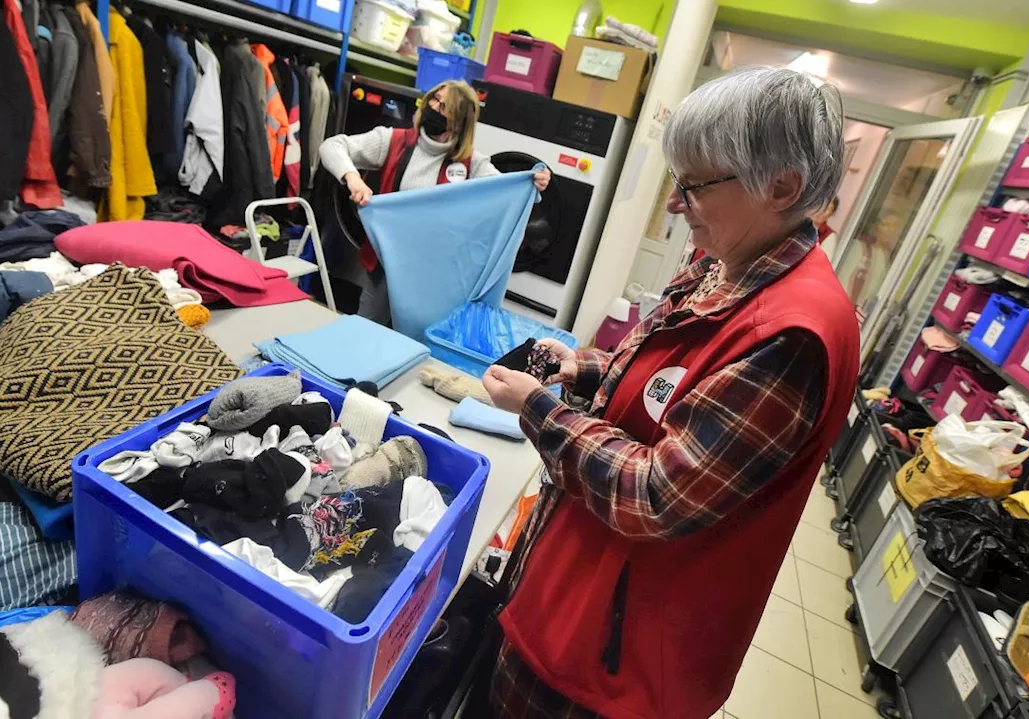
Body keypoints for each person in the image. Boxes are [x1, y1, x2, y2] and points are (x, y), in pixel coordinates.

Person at [480, 66, 861, 719]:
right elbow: (677, 384)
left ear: (782, 187)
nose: (675, 204)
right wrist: (588, 369)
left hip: (617, 648)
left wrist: (538, 410)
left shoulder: (792, 337)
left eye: (693, 184)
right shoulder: (731, 262)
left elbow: (656, 494)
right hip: (577, 587)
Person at [319, 80, 550, 324]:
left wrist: (533, 182)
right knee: (364, 333)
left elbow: (504, 195)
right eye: (434, 99)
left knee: (413, 345)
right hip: (384, 268)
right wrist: (353, 178)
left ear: (459, 123)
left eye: (444, 107)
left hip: (434, 281)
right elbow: (331, 146)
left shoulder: (472, 164)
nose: (434, 107)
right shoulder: (394, 141)